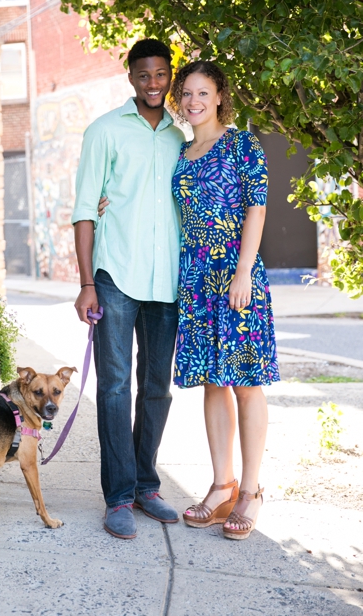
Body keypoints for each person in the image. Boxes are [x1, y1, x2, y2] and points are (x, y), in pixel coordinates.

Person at [71, 39, 185, 539]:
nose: (153, 84)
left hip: (169, 280)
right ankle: (118, 496)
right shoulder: (104, 132)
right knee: (114, 388)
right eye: (144, 75)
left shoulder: (182, 138)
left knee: (157, 388)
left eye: (161, 75)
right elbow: (82, 211)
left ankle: (146, 485)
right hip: (116, 277)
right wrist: (86, 283)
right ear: (131, 77)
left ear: (170, 76)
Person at [170, 61, 278, 539]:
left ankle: (251, 492)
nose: (193, 101)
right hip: (196, 279)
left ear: (218, 97)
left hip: (236, 275)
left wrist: (242, 272)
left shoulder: (241, 144)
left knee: (245, 384)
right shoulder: (182, 150)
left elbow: (257, 206)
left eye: (203, 92)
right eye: (186, 93)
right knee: (214, 384)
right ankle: (221, 487)